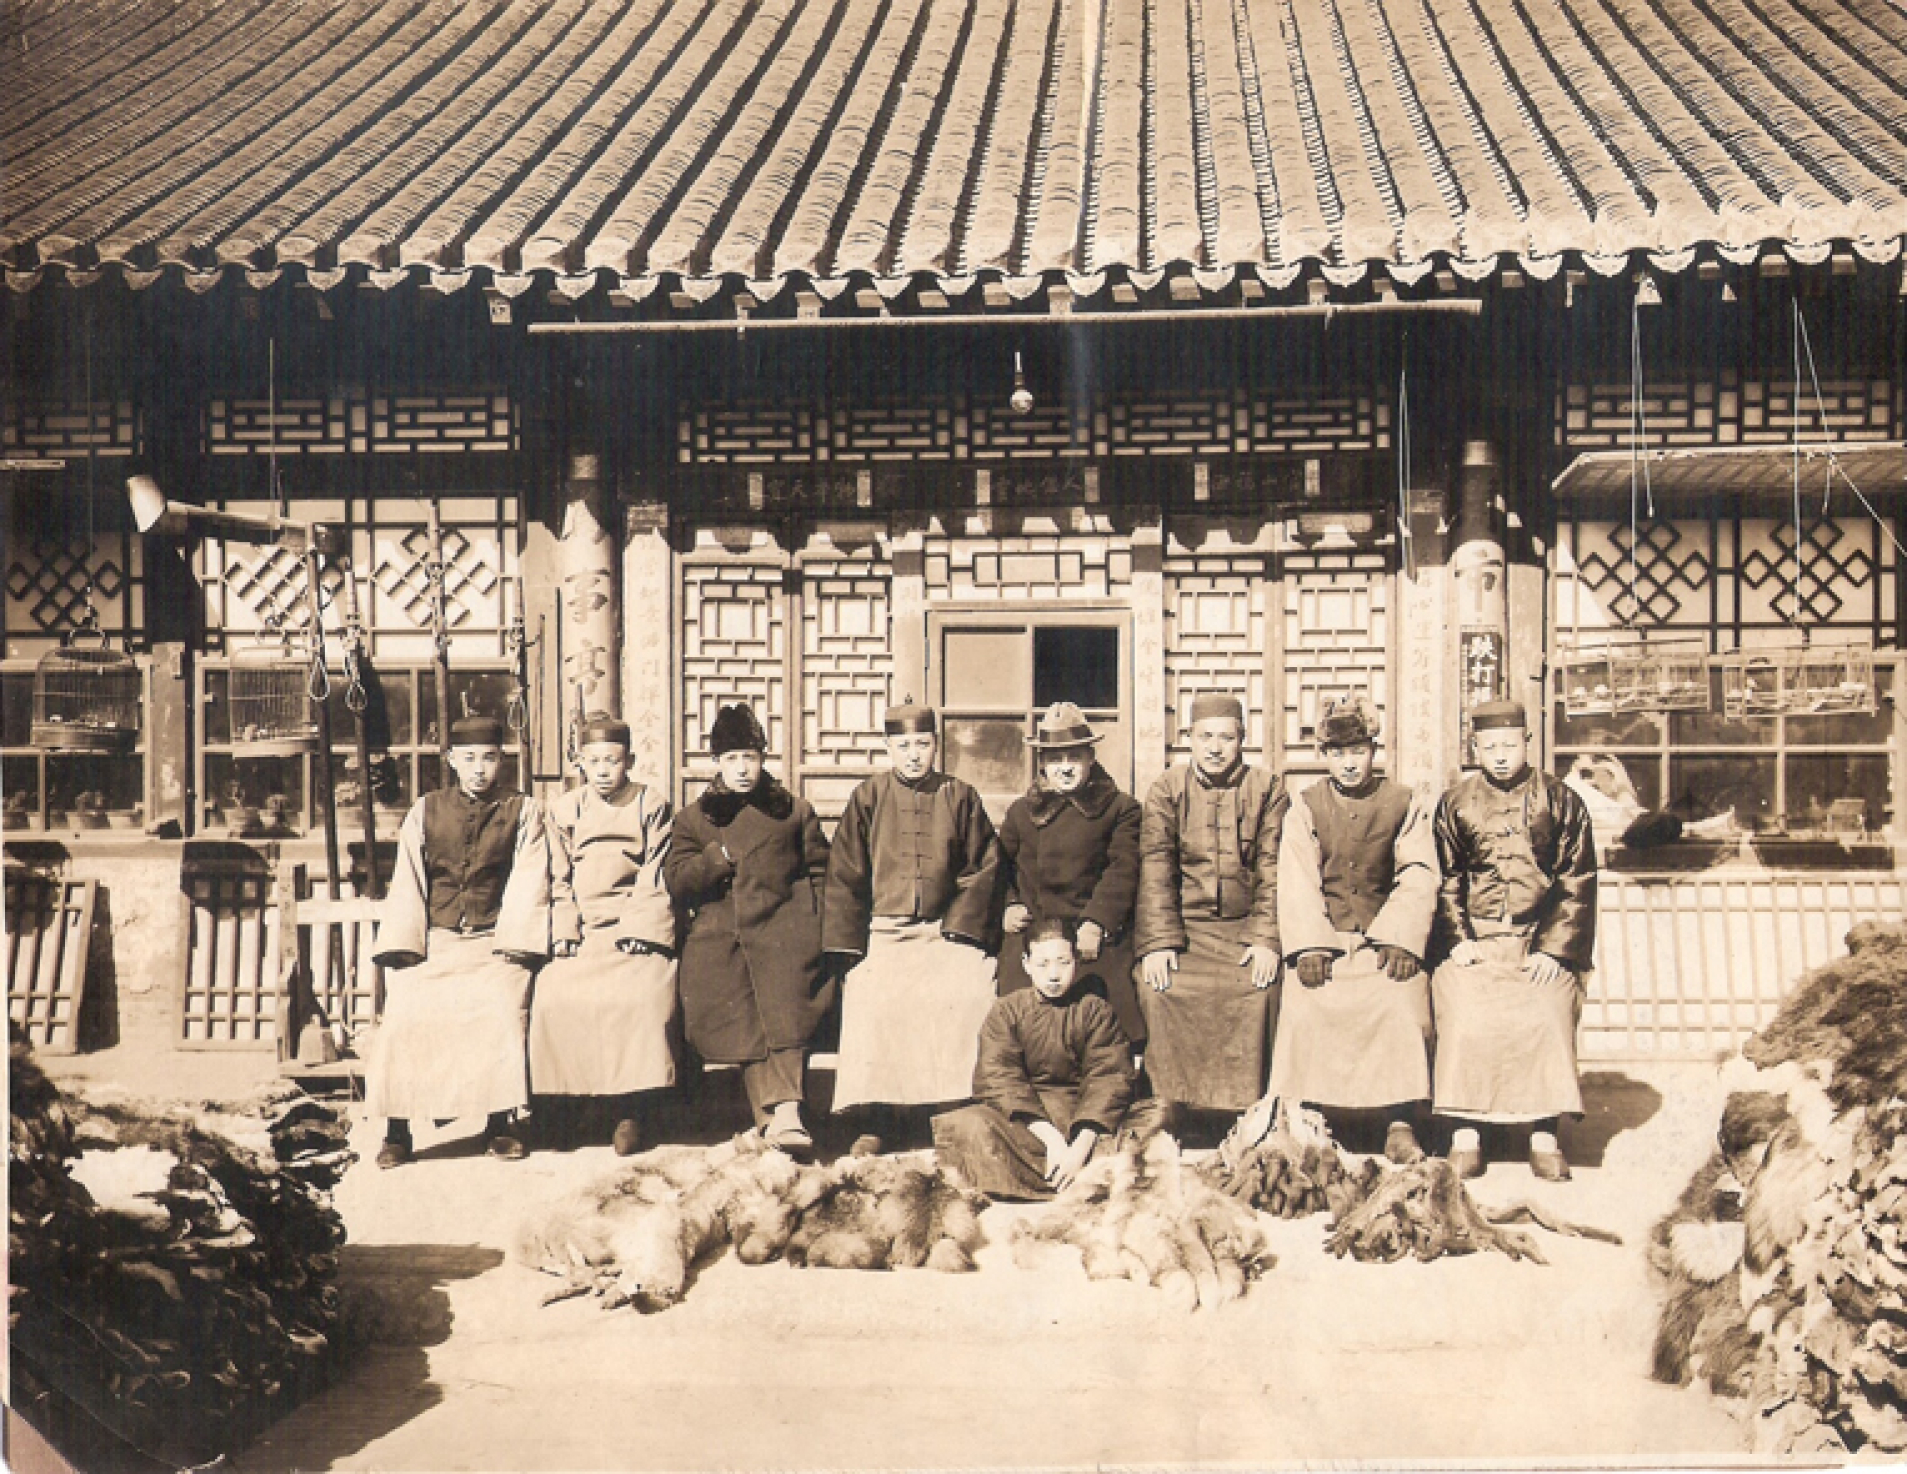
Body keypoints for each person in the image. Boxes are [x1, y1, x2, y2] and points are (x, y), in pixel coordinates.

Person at [368, 715, 550, 1167]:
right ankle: (398, 1128)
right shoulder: (425, 810)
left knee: (502, 1009)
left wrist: (513, 944)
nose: (479, 769)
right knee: (406, 1011)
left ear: (502, 761)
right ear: (451, 761)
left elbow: (530, 879)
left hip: (496, 940)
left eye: (488, 758)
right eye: (468, 759)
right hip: (436, 941)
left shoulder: (524, 810)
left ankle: (500, 1121)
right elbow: (408, 881)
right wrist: (409, 947)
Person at [823, 700, 1002, 1155]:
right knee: (872, 995)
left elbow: (983, 867)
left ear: (936, 746)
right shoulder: (869, 797)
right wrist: (849, 946)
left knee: (970, 989)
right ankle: (878, 1117)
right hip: (885, 932)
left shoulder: (960, 796)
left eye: (922, 744)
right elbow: (845, 874)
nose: (913, 754)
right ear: (888, 747)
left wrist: (960, 929)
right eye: (903, 745)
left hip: (946, 931)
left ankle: (953, 1112)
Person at [1431, 699, 1598, 1181]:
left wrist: (1553, 949)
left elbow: (1577, 879)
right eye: (1489, 746)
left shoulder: (1563, 801)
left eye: (1509, 744)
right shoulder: (1455, 803)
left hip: (1537, 941)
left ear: (1527, 742)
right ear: (1475, 748)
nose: (1501, 755)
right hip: (1476, 940)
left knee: (1546, 1012)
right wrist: (1458, 939)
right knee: (1464, 1015)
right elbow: (1448, 880)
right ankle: (1466, 1131)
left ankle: (1543, 1131)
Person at [1271, 696, 1439, 1164]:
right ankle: (1310, 1116)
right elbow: (1297, 878)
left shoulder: (1404, 803)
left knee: (1403, 1000)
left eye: (1359, 750)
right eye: (1338, 752)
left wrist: (1400, 937)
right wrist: (1308, 945)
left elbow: (1418, 872)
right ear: (1324, 756)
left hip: (1382, 939)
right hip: (1325, 939)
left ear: (1373, 750)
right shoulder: (1304, 807)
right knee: (1305, 1003)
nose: (1349, 763)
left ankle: (1399, 1119)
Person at [666, 702, 832, 1156]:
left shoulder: (793, 812)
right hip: (721, 938)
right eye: (733, 759)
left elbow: (821, 873)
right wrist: (713, 860)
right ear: (717, 763)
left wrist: (813, 926)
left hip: (786, 931)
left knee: (785, 1005)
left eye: (751, 757)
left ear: (763, 759)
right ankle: (777, 1115)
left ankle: (785, 1113)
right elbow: (677, 879)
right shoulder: (694, 819)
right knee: (747, 1012)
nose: (743, 768)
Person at [528, 712, 678, 1156]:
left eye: (612, 761)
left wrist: (640, 928)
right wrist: (565, 929)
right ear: (580, 763)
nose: (603, 771)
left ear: (628, 761)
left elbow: (657, 872)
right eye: (594, 762)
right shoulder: (563, 809)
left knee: (642, 998)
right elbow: (556, 875)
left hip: (633, 921)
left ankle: (630, 1110)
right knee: (553, 996)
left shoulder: (650, 804)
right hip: (582, 923)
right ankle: (563, 1107)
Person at [1133, 693, 1287, 1120]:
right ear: (1189, 739)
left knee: (1263, 990)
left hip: (1244, 929)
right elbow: (1156, 867)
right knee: (1159, 989)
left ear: (1242, 740)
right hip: (1185, 931)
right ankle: (1170, 1105)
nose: (1215, 748)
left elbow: (1273, 868)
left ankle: (1252, 1108)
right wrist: (1159, 943)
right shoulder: (1167, 788)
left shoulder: (1267, 788)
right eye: (1205, 737)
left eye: (1226, 737)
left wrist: (1265, 940)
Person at [933, 916, 1163, 1199]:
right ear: (1026, 964)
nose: (1053, 975)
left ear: (1076, 961)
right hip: (1029, 1123)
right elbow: (1000, 1078)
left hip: (1086, 1120)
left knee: (1156, 1115)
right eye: (1043, 964)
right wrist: (1052, 1140)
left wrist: (1079, 1148)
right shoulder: (1007, 1011)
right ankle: (1084, 1178)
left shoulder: (1095, 1010)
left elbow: (1109, 1078)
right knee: (966, 1125)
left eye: (1063, 962)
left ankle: (1057, 1174)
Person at [997, 702, 1145, 1049]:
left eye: (1074, 757)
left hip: (1092, 932)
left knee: (1108, 1010)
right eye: (1055, 759)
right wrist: (1009, 905)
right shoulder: (1022, 812)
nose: (1065, 769)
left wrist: (1097, 922)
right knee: (1018, 1008)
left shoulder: (1120, 809)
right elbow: (998, 867)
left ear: (1090, 758)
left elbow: (1122, 870)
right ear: (1043, 764)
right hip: (1036, 928)